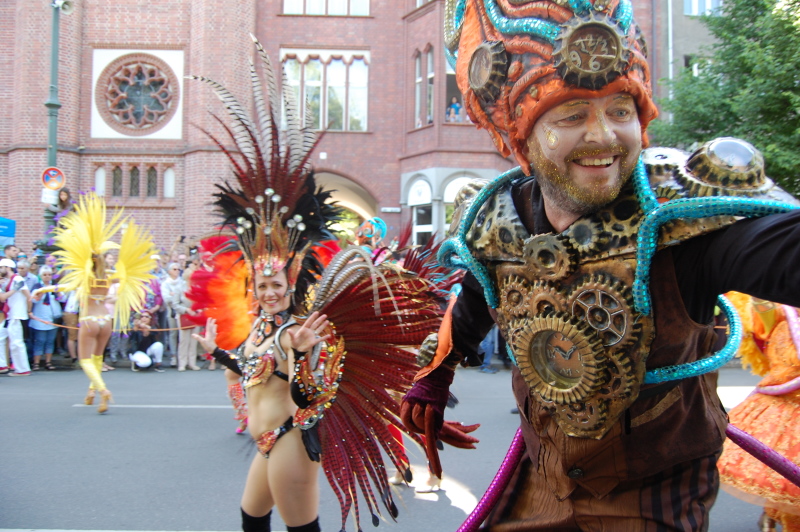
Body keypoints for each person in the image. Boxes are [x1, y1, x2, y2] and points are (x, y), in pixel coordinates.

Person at [401, 2, 800, 531]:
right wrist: (434, 374)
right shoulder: (497, 221)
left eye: (619, 110)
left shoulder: (681, 222)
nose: (604, 136)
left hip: (653, 504)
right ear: (521, 136)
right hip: (535, 489)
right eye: (572, 116)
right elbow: (476, 294)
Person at [188, 37, 470, 532]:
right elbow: (252, 370)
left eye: (276, 283)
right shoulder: (261, 327)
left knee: (300, 529)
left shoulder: (303, 327)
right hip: (266, 441)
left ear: (291, 279)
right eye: (262, 283)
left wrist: (299, 357)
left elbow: (311, 394)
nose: (270, 291)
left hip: (292, 439)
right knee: (250, 520)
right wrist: (217, 353)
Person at [52, 192, 155, 413]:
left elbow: (61, 287)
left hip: (89, 320)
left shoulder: (84, 277)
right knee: (98, 358)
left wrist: (39, 292)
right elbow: (124, 279)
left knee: (85, 360)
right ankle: (92, 393)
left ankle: (103, 390)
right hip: (106, 320)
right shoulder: (108, 277)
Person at [718, 294, 800, 532]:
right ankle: (775, 517)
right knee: (787, 485)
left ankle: (771, 516)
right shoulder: (780, 314)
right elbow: (761, 308)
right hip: (786, 413)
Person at [0, 258, 31, 375]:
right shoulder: (7, 280)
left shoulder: (17, 279)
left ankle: (22, 369)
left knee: (16, 343)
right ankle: (2, 364)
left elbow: (28, 296)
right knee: (1, 337)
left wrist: (29, 311)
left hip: (17, 314)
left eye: (1, 267)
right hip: (10, 314)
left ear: (7, 268)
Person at [28, 265, 62, 371]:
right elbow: (33, 300)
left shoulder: (55, 286)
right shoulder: (37, 286)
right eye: (44, 275)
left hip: (52, 318)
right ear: (41, 276)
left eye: (49, 275)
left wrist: (58, 292)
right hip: (40, 318)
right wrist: (41, 293)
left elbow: (62, 298)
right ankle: (36, 363)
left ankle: (48, 362)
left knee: (50, 341)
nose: (47, 277)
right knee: (40, 341)